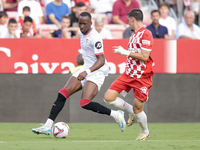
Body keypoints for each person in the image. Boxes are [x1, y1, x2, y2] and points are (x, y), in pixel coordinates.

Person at [32, 12, 126, 135]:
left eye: (84, 24)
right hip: (86, 68)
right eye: (80, 23)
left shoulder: (95, 38)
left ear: (91, 24)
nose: (81, 26)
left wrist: (87, 72)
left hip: (97, 71)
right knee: (62, 94)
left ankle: (116, 114)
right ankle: (47, 126)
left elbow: (101, 60)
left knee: (84, 103)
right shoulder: (81, 32)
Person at [103, 8, 154, 141]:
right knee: (108, 97)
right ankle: (131, 112)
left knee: (138, 109)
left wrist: (124, 52)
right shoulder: (133, 35)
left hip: (142, 76)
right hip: (128, 74)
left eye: (128, 21)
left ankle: (144, 131)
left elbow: (144, 56)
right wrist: (124, 51)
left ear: (133, 19)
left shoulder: (146, 34)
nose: (128, 24)